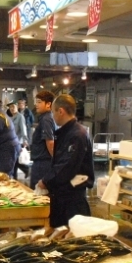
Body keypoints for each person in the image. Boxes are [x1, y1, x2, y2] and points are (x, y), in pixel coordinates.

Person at [37, 94, 94, 228]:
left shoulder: (77, 135)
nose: (52, 116)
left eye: (53, 112)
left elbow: (66, 166)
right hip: (63, 195)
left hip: (72, 200)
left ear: (60, 111)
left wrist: (46, 181)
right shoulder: (67, 132)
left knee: (73, 239)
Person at [30, 90, 56, 189]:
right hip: (41, 162)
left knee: (39, 195)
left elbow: (50, 142)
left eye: (39, 102)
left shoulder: (46, 119)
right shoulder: (46, 117)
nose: (36, 104)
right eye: (36, 102)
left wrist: (56, 162)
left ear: (48, 104)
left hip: (43, 164)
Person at [7, 100, 29, 180]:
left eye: (13, 106)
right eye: (10, 107)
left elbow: (23, 128)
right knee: (14, 161)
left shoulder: (20, 116)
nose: (12, 108)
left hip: (17, 142)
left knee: (15, 161)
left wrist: (25, 140)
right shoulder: (10, 118)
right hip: (11, 142)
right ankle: (17, 175)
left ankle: (15, 177)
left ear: (17, 107)